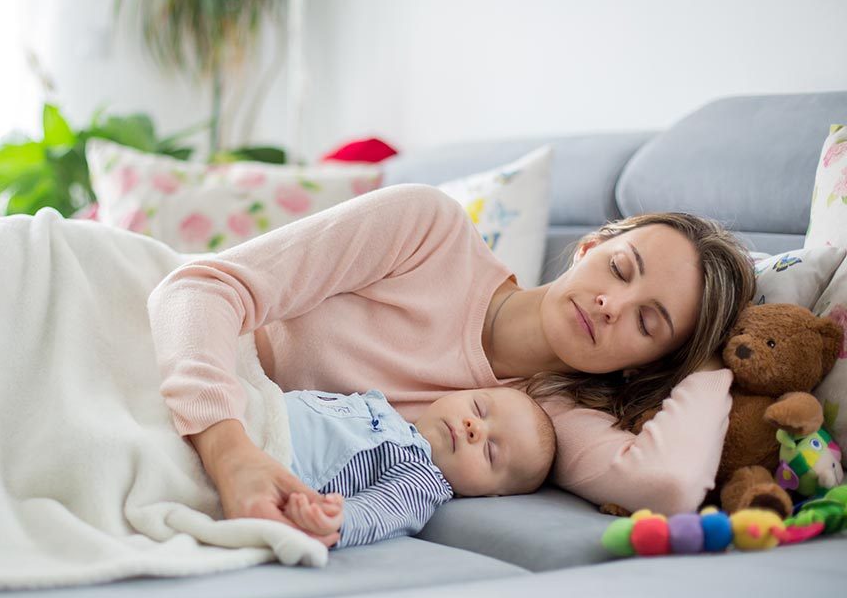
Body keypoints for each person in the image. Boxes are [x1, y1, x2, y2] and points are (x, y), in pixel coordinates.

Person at [146, 184, 755, 544]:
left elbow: (670, 484)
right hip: (153, 325)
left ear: (649, 362)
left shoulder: (541, 419)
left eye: (649, 323)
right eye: (620, 269)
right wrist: (231, 453)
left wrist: (710, 357)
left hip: (175, 422)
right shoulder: (426, 231)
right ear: (591, 247)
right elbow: (198, 289)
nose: (611, 304)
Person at [282, 385, 556, 548]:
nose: (474, 427)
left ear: (488, 494)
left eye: (490, 451)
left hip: (277, 460)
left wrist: (337, 520)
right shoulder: (388, 413)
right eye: (478, 408)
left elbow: (382, 512)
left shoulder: (424, 480)